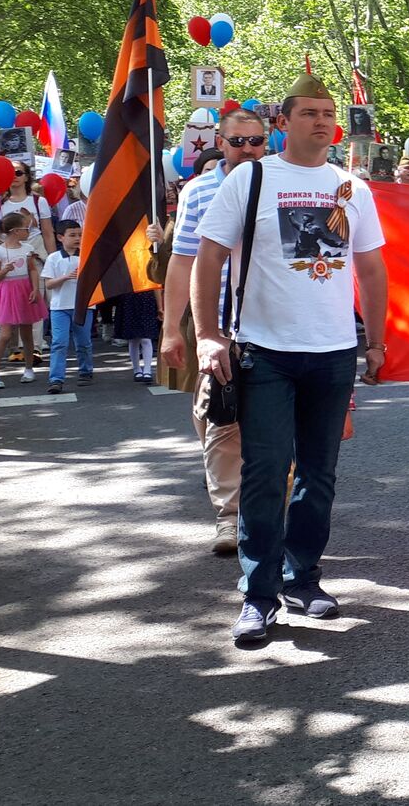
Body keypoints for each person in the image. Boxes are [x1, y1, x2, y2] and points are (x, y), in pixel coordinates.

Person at [193, 72, 388, 643]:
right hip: (264, 354)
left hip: (332, 355)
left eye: (328, 113)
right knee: (264, 473)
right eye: (308, 113)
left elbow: (371, 268)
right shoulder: (250, 178)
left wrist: (374, 342)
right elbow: (207, 260)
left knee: (319, 476)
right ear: (282, 123)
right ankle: (258, 595)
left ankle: (304, 578)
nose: (323, 121)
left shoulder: (353, 188)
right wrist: (208, 335)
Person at [159, 110, 268, 555]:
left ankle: (264, 508)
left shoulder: (282, 183)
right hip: (218, 325)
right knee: (219, 418)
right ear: (220, 143)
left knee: (274, 422)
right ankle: (230, 518)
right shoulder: (201, 190)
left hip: (272, 325)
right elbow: (181, 261)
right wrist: (172, 328)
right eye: (238, 141)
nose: (248, 149)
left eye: (257, 141)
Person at [0, 211, 49, 389]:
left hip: (25, 290)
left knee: (27, 333)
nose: (29, 231)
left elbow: (33, 270)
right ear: (15, 231)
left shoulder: (27, 248)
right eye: (25, 228)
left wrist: (35, 288)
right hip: (7, 292)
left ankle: (29, 369)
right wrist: (4, 271)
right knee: (5, 334)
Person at [42, 221, 94, 394]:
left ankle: (86, 371)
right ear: (60, 237)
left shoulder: (87, 255)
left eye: (80, 234)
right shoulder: (54, 258)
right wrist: (65, 277)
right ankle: (56, 379)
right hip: (59, 307)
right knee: (59, 343)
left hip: (84, 306)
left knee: (84, 342)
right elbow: (48, 284)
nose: (77, 238)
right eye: (72, 235)